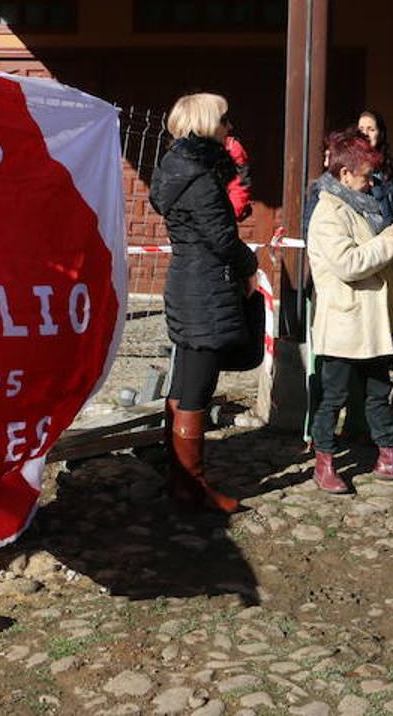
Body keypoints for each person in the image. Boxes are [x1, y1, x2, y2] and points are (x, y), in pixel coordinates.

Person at [149, 92, 258, 511]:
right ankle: (189, 486)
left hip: (190, 282)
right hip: (204, 287)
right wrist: (249, 265)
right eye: (225, 119)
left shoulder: (181, 167)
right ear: (207, 123)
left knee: (185, 381)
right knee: (196, 386)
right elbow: (222, 237)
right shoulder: (198, 172)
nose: (230, 126)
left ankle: (179, 478)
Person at [306, 132, 393, 491]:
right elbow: (350, 263)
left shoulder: (362, 204)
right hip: (345, 322)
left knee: (377, 392)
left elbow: (378, 249)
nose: (371, 180)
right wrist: (391, 241)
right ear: (344, 175)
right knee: (333, 399)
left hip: (370, 321)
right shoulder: (328, 212)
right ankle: (323, 462)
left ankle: (389, 456)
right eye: (365, 174)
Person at [356, 110, 393, 226]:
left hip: (390, 233)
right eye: (361, 129)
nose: (365, 134)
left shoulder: (389, 166)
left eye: (371, 129)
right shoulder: (350, 168)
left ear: (381, 134)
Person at [222, 114, 253, 222]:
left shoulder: (233, 147)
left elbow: (241, 181)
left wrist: (234, 211)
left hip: (221, 212)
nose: (230, 127)